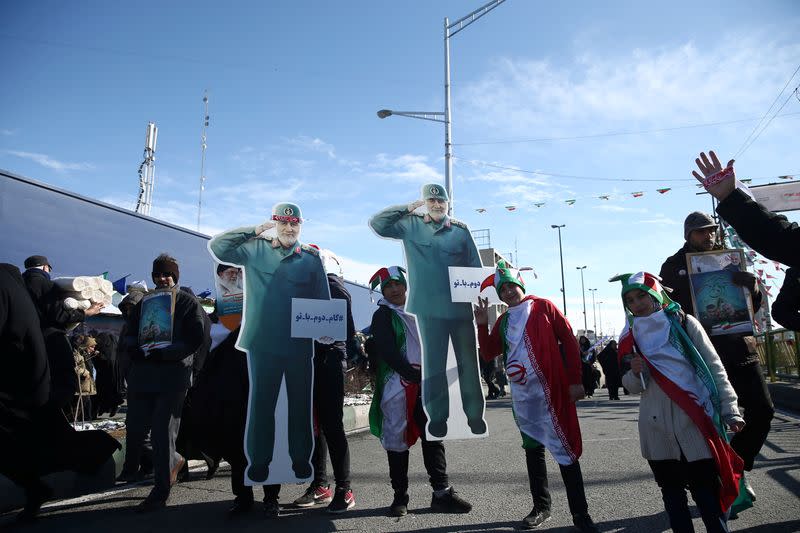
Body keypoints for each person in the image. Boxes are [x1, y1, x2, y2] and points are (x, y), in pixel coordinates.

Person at [209, 203, 331, 516]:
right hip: (262, 344)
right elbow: (220, 247)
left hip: (299, 345)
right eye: (284, 222)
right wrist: (255, 230)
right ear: (274, 223)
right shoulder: (254, 249)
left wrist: (326, 329)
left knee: (298, 407)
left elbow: (321, 300)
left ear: (301, 225)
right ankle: (259, 464)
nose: (290, 228)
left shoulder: (311, 259)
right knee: (261, 407)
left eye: (295, 223)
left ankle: (299, 460)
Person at [613, 272, 745, 533]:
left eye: (641, 295)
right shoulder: (629, 336)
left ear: (655, 294)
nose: (637, 303)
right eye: (630, 299)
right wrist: (635, 372)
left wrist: (730, 409)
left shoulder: (684, 323)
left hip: (694, 419)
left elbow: (714, 367)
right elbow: (630, 386)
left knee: (707, 495)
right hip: (656, 428)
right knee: (672, 497)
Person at [474, 261, 598, 532]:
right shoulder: (505, 319)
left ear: (521, 285)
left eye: (511, 286)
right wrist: (482, 326)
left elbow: (568, 340)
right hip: (523, 397)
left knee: (565, 450)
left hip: (552, 391)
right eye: (502, 289)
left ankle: (581, 514)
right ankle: (541, 507)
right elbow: (488, 352)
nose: (507, 292)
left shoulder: (543, 306)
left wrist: (576, 380)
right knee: (533, 451)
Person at [659, 210, 772, 489]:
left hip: (739, 349)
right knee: (707, 418)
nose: (708, 236)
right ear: (688, 235)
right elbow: (666, 309)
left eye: (711, 230)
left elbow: (749, 310)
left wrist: (753, 288)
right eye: (701, 231)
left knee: (763, 410)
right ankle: (715, 477)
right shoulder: (673, 266)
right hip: (700, 353)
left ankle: (736, 466)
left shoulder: (731, 260)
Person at [0, 264, 119, 522]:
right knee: (38, 441)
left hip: (22, 387)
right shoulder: (21, 291)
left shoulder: (19, 287)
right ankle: (37, 488)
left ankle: (40, 486)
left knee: (38, 442)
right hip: (32, 384)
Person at [369, 184, 486, 438]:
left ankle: (474, 416)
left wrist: (480, 297)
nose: (436, 205)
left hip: (460, 309)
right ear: (424, 203)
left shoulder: (460, 231)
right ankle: (438, 417)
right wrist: (408, 208)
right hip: (428, 310)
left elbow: (476, 268)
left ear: (447, 203)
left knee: (468, 365)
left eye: (440, 201)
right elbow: (379, 224)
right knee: (434, 366)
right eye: (430, 201)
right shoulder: (410, 224)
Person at [367, 266, 473, 517]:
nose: (394, 290)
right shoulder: (382, 315)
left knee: (433, 437)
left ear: (406, 285)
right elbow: (387, 349)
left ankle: (441, 494)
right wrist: (411, 373)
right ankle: (400, 497)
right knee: (397, 442)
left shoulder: (421, 310)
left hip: (428, 383)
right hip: (398, 386)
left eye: (397, 284)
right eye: (388, 286)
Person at [119, 254, 206, 511]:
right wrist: (134, 349)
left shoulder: (188, 302)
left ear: (175, 276)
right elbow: (130, 334)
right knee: (135, 429)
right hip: (142, 375)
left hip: (172, 376)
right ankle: (175, 460)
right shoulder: (145, 302)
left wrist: (167, 352)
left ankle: (160, 490)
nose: (161, 279)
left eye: (166, 274)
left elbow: (196, 338)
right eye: (157, 274)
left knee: (162, 431)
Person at [292, 248, 356, 514]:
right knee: (314, 426)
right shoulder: (302, 289)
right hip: (308, 363)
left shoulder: (334, 287)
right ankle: (320, 484)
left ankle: (345, 489)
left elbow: (347, 332)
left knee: (331, 426)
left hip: (328, 364)